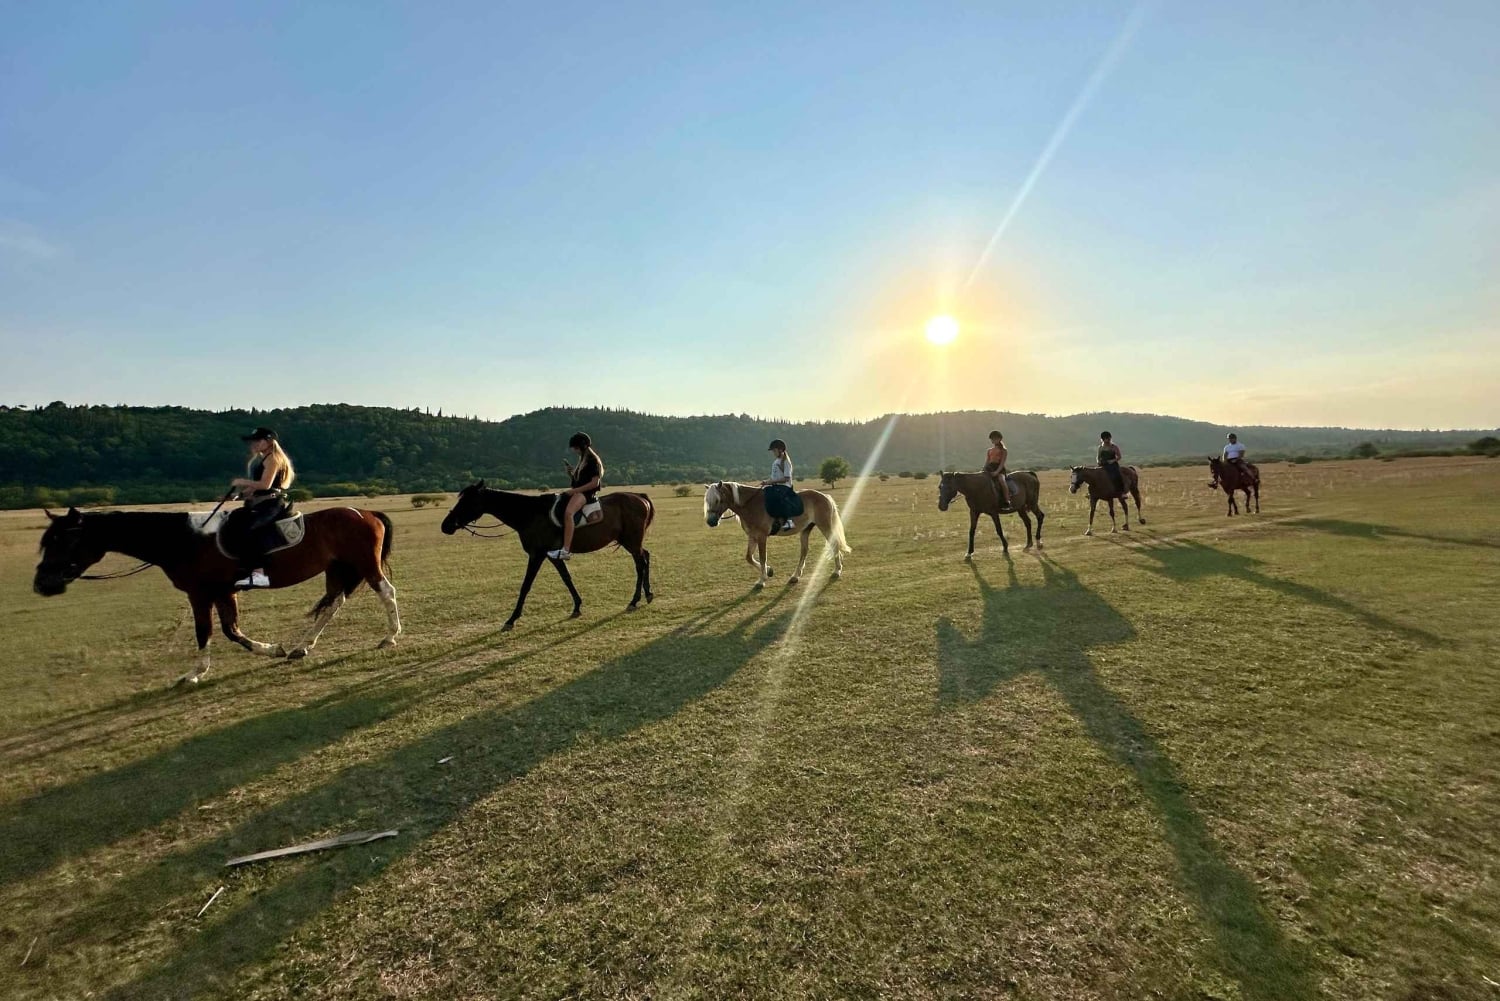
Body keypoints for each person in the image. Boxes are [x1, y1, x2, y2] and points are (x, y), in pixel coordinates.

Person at [227, 427, 295, 588]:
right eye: (253, 441)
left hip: (271, 504)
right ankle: (243, 566)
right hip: (262, 502)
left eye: (258, 440)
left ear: (269, 441)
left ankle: (259, 573)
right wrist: (241, 494)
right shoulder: (265, 459)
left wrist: (241, 482)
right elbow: (258, 487)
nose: (254, 444)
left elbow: (265, 485)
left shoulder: (273, 459)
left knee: (251, 529)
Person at [547, 432, 603, 561]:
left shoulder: (593, 461)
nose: (575, 451)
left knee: (568, 513)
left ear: (582, 446)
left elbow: (595, 483)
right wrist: (572, 474)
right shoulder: (582, 460)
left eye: (576, 448)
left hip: (586, 494)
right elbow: (580, 480)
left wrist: (573, 491)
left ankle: (566, 550)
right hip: (580, 492)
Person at [761, 439, 801, 534]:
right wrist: (767, 482)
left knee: (776, 498)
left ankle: (788, 522)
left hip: (785, 487)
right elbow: (774, 477)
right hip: (777, 486)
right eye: (773, 451)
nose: (773, 453)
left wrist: (772, 482)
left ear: (780, 450)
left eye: (774, 451)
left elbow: (786, 478)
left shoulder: (786, 461)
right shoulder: (776, 461)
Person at [984, 430, 1012, 509]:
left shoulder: (1004, 450)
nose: (993, 440)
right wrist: (983, 470)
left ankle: (1007, 501)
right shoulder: (989, 450)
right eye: (992, 439)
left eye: (995, 438)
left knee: (1001, 480)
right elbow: (987, 462)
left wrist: (996, 472)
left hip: (999, 469)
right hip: (989, 468)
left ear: (999, 439)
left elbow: (1002, 463)